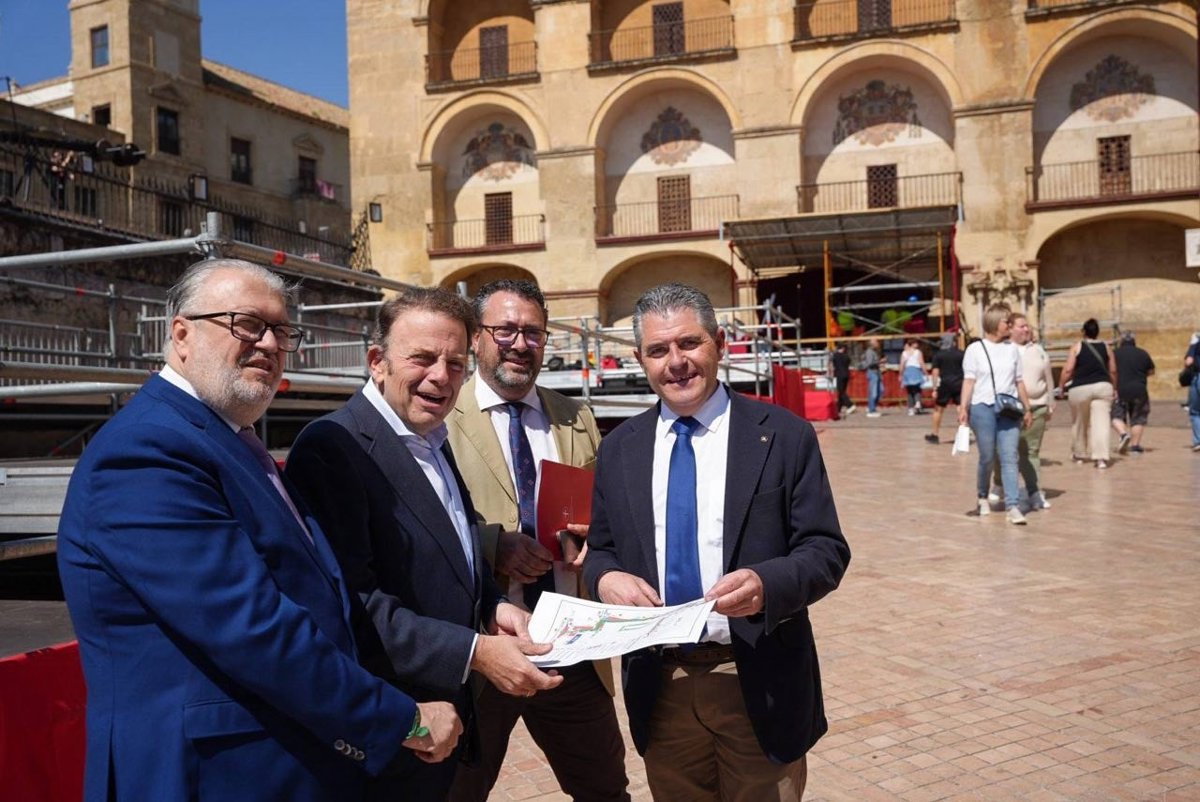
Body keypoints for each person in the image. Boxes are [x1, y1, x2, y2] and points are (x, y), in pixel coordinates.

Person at [56, 259, 461, 802]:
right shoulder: (147, 452)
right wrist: (398, 719)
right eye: (247, 324)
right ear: (181, 334)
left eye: (282, 331)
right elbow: (252, 629)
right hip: (208, 775)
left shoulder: (223, 438)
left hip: (276, 759)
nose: (269, 344)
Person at [285, 287, 560, 801]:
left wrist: (493, 606)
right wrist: (477, 652)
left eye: (455, 364)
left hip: (443, 723)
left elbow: (450, 555)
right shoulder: (334, 447)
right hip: (394, 730)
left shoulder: (429, 434)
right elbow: (354, 605)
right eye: (423, 358)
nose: (441, 376)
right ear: (377, 361)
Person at [583, 283, 851, 802]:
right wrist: (606, 578)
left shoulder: (784, 435)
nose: (676, 362)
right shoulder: (619, 449)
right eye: (658, 350)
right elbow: (601, 549)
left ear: (720, 343)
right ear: (640, 359)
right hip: (661, 685)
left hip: (755, 676)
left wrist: (767, 583)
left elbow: (825, 549)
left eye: (690, 343)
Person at [444, 280, 629, 802]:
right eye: (505, 330)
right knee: (457, 792)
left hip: (573, 648)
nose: (520, 344)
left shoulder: (576, 416)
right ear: (476, 337)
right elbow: (422, 523)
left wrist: (597, 538)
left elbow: (601, 508)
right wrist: (493, 546)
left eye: (533, 333)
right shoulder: (440, 417)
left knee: (605, 790)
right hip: (484, 651)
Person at [958, 305, 1033, 525]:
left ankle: (1013, 505)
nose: (1009, 325)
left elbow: (1019, 381)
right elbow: (969, 381)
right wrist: (963, 407)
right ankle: (982, 495)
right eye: (1006, 322)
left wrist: (1027, 407)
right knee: (987, 456)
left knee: (1010, 456)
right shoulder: (975, 349)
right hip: (983, 408)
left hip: (1008, 408)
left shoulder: (1013, 350)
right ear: (993, 323)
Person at [990, 313, 1055, 510]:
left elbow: (1048, 377)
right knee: (1002, 450)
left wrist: (1050, 401)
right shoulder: (1001, 350)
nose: (1026, 329)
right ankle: (999, 483)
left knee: (1031, 451)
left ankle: (1034, 491)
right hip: (1009, 409)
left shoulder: (1038, 350)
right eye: (1021, 326)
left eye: (1027, 326)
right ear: (1010, 328)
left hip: (1037, 406)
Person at [1058, 318, 1117, 469]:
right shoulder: (1106, 347)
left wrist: (1061, 385)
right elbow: (1113, 370)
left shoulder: (1077, 347)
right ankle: (1101, 458)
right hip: (1103, 386)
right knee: (1101, 423)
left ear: (1083, 332)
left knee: (1079, 422)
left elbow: (1069, 369)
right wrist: (1115, 387)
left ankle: (1079, 453)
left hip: (1080, 388)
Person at [1110, 332, 1155, 455]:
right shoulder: (1143, 353)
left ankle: (1123, 434)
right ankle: (1135, 447)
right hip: (1139, 390)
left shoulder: (1114, 354)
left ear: (1121, 341)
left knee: (1116, 416)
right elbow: (1151, 371)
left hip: (1120, 390)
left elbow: (1110, 370)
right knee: (1138, 418)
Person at [926, 332, 963, 444]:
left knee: (939, 409)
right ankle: (963, 434)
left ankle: (935, 434)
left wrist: (934, 388)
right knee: (960, 408)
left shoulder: (939, 355)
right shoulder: (961, 354)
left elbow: (935, 372)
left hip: (945, 384)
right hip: (959, 383)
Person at [899, 337, 927, 415]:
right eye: (916, 343)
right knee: (917, 388)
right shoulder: (918, 352)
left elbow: (902, 364)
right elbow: (921, 363)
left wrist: (901, 374)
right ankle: (917, 402)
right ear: (913, 344)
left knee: (909, 390)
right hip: (916, 370)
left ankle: (911, 408)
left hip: (907, 371)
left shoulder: (904, 353)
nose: (917, 344)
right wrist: (925, 372)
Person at [829, 341, 855, 416]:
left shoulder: (835, 355)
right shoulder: (846, 356)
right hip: (846, 375)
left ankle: (850, 405)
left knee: (841, 391)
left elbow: (832, 364)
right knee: (842, 392)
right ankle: (838, 408)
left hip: (839, 375)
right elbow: (849, 362)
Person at [1184, 334, 1200, 452]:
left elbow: (1188, 362)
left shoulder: (1196, 344)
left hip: (1198, 377)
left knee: (1195, 412)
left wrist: (1192, 345)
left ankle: (1198, 441)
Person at [862, 337, 884, 417]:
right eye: (876, 341)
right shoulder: (869, 352)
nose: (878, 343)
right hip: (872, 373)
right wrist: (880, 361)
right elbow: (869, 363)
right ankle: (872, 410)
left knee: (881, 390)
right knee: (873, 392)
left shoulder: (875, 351)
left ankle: (871, 406)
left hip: (877, 373)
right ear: (872, 343)